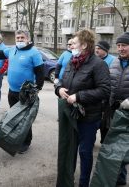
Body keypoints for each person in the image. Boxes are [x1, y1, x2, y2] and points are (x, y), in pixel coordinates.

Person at [54, 29, 110, 187]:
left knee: (85, 153)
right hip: (71, 115)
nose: (71, 46)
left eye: (75, 43)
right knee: (69, 150)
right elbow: (62, 81)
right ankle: (67, 180)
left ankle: (83, 183)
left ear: (84, 45)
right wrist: (59, 89)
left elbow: (105, 90)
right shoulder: (73, 61)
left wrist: (79, 96)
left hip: (89, 118)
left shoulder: (98, 64)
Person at [0, 29, 44, 153]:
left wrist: (37, 89)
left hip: (26, 92)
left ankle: (26, 141)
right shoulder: (12, 50)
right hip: (12, 91)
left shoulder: (34, 52)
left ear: (28, 39)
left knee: (24, 118)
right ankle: (17, 137)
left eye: (22, 38)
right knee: (15, 117)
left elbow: (40, 72)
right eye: (18, 38)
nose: (20, 40)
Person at [90, 32, 129, 187]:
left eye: (124, 45)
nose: (120, 48)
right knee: (108, 144)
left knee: (122, 146)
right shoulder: (113, 63)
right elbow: (106, 85)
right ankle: (111, 176)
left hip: (127, 114)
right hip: (110, 110)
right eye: (118, 45)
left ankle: (120, 178)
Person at [95, 40, 116, 143]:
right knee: (93, 120)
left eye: (99, 48)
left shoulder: (113, 60)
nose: (96, 50)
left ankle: (104, 141)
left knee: (105, 122)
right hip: (95, 95)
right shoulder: (94, 59)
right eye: (96, 48)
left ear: (105, 50)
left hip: (107, 96)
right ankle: (91, 139)